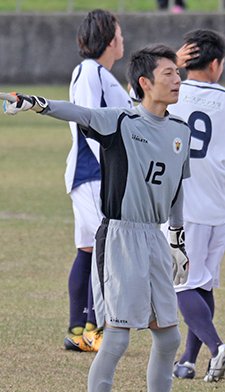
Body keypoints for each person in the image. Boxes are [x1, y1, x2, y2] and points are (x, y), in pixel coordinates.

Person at [0, 44, 202, 392]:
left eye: (178, 73)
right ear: (145, 82)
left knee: (167, 339)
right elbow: (78, 113)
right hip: (121, 236)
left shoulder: (180, 131)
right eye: (169, 73)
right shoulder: (121, 121)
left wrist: (177, 239)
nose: (178, 79)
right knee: (118, 339)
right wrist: (34, 104)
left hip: (156, 238)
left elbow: (179, 187)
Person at [166, 29, 225, 383]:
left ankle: (217, 347)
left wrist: (171, 66)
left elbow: (136, 98)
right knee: (202, 281)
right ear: (217, 63)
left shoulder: (169, 91)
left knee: (182, 285)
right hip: (219, 204)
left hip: (180, 205)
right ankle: (188, 361)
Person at [63, 10, 132, 353]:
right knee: (104, 247)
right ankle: (93, 329)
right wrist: (113, 166)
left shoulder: (104, 75)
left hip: (95, 173)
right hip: (93, 173)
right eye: (119, 35)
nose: (122, 40)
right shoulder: (89, 72)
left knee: (89, 248)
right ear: (107, 39)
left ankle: (78, 331)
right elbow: (90, 121)